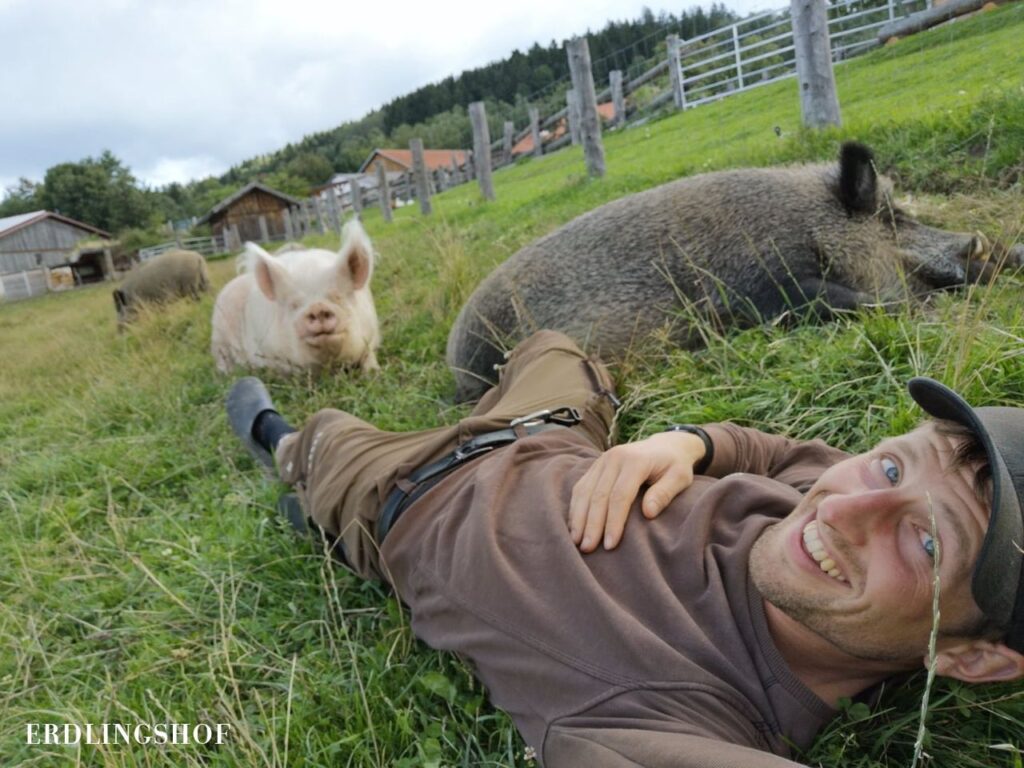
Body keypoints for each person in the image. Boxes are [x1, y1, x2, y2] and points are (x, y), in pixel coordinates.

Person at [226, 330, 1024, 767]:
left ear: (977, 658)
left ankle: (290, 458)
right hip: (553, 431)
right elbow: (780, 453)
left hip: (405, 488)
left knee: (321, 437)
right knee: (555, 346)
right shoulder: (840, 495)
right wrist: (687, 443)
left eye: (924, 541)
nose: (845, 506)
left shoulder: (680, 716)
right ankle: (480, 399)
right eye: (892, 465)